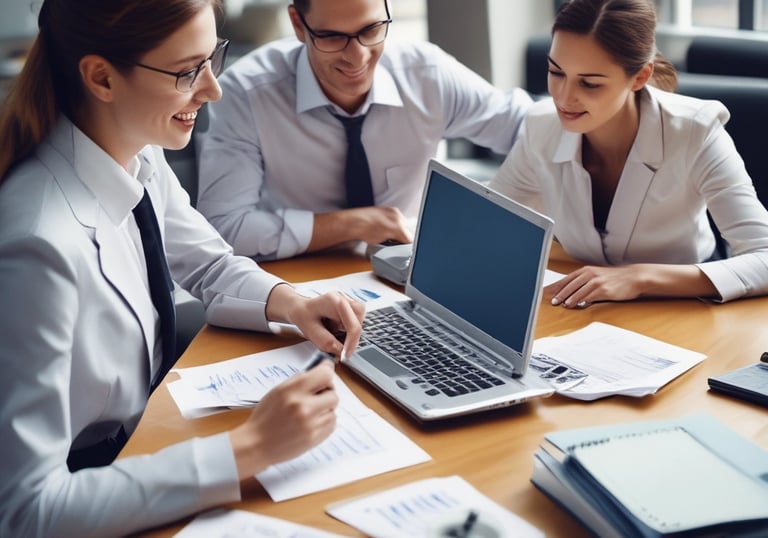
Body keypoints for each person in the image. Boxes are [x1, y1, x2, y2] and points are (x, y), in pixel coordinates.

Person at [0, 0, 365, 535]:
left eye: (211, 57)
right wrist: (251, 446)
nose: (213, 89)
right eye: (186, 72)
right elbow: (29, 512)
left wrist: (295, 302)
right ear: (101, 77)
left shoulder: (135, 151)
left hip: (146, 439)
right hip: (94, 487)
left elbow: (209, 264)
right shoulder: (39, 247)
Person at [196, 0, 533, 260]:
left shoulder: (427, 73)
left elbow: (531, 129)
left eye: (371, 29)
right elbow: (224, 227)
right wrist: (357, 224)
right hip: (298, 279)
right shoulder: (247, 93)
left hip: (410, 273)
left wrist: (480, 215)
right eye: (331, 37)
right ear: (299, 25)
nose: (356, 57)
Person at [489, 0, 768, 308]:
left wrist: (638, 278)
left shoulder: (696, 131)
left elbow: (765, 259)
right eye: (556, 72)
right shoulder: (540, 126)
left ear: (640, 77)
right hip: (589, 310)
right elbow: (486, 223)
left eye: (590, 83)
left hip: (687, 307)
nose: (564, 97)